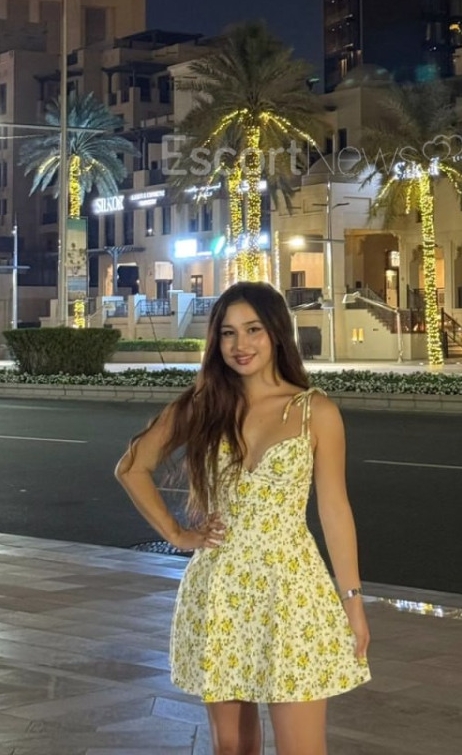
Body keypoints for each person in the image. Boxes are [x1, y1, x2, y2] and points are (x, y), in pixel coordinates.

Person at [116, 281, 370, 755]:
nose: (240, 344)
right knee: (232, 748)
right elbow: (132, 467)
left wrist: (352, 599)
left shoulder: (315, 411)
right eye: (228, 333)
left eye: (253, 329)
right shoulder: (204, 404)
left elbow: (335, 508)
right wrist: (178, 534)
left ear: (276, 333)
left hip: (290, 591)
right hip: (220, 589)